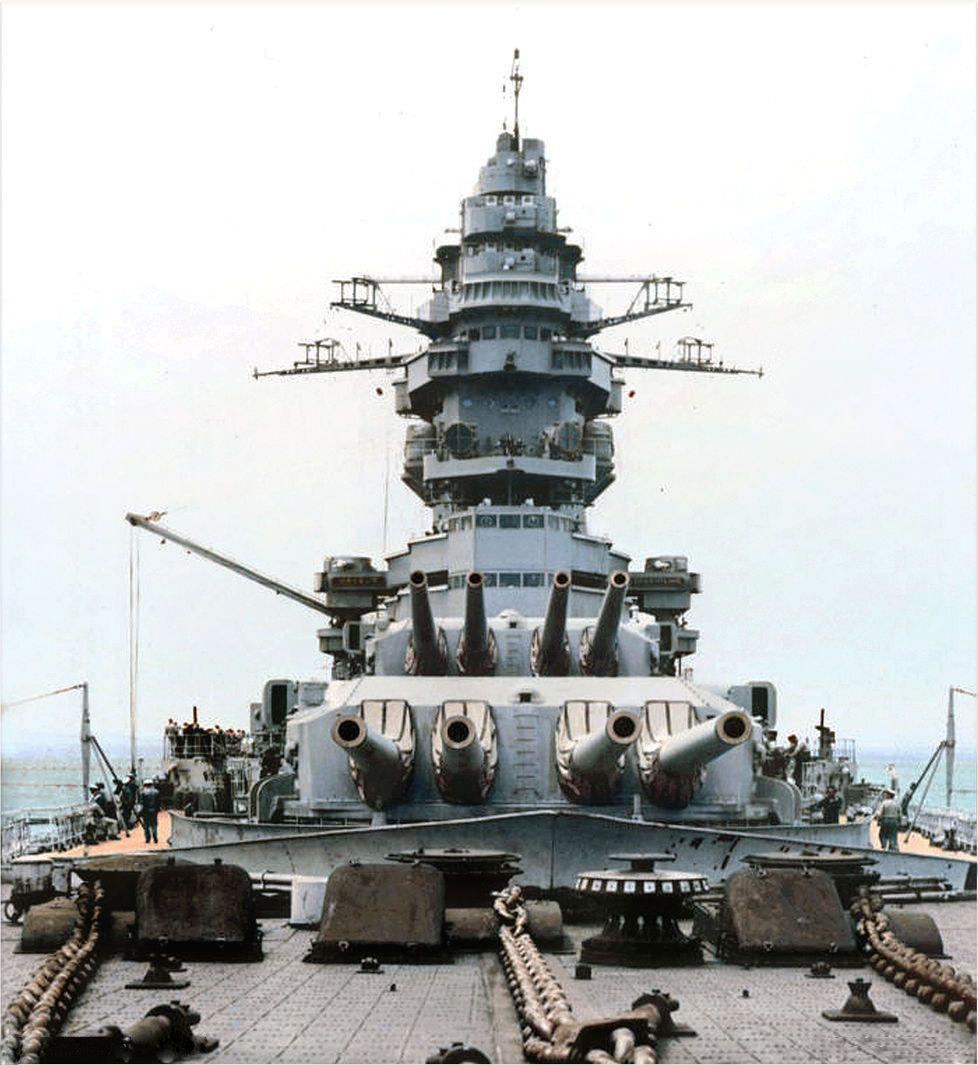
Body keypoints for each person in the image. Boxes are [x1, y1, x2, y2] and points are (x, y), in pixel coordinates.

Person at [138, 779, 162, 844]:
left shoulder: (142, 792)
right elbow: (159, 802)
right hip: (154, 811)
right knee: (154, 824)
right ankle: (155, 835)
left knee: (146, 825)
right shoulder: (156, 792)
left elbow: (141, 803)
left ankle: (148, 838)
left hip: (146, 811)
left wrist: (139, 812)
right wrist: (158, 809)